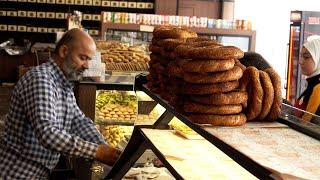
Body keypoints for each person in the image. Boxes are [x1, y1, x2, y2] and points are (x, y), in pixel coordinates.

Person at [0, 28, 121, 179]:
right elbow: (48, 133)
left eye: (89, 59)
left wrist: (104, 147)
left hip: (37, 172)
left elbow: (79, 121)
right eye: (83, 58)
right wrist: (97, 152)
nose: (87, 66)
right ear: (64, 52)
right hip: (18, 172)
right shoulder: (42, 80)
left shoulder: (63, 82)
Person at [295, 38, 320, 122]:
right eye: (301, 56)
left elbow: (306, 124)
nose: (300, 61)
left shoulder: (318, 89)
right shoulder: (312, 84)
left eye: (306, 57)